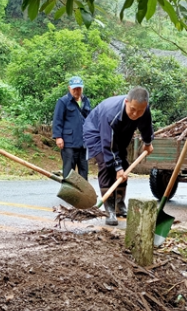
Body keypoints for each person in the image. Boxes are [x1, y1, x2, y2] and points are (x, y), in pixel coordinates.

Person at [83, 87, 154, 226]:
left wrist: (147, 142)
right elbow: (108, 145)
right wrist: (117, 167)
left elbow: (146, 126)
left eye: (140, 111)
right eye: (132, 109)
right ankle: (109, 208)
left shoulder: (143, 110)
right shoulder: (110, 113)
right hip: (96, 133)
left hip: (120, 133)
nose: (135, 114)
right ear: (126, 101)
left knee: (124, 166)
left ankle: (119, 204)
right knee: (107, 166)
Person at [52, 76, 91, 180]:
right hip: (69, 143)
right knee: (69, 171)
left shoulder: (86, 101)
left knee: (84, 170)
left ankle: (82, 194)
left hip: (83, 143)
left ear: (82, 88)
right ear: (69, 88)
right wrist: (58, 137)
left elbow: (90, 119)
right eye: (74, 89)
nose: (77, 91)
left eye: (79, 88)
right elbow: (57, 119)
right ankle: (69, 193)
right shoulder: (63, 101)